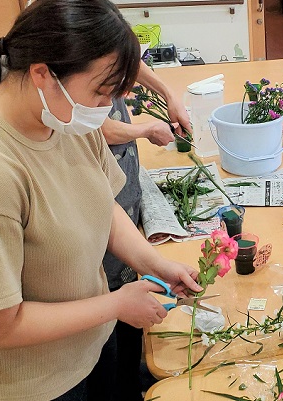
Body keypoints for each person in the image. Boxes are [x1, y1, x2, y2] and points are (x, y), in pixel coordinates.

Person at [0, 1, 201, 400]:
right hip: (32, 385)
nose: (107, 109)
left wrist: (155, 262)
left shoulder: (65, 117)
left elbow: (101, 201)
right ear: (42, 74)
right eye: (101, 92)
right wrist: (115, 305)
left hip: (88, 346)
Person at [102, 62, 190, 401]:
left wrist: (169, 94)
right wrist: (143, 130)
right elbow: (100, 129)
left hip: (118, 215)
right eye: (106, 92)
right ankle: (116, 379)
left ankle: (128, 373)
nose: (119, 97)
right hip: (52, 367)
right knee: (108, 338)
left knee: (127, 290)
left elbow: (108, 212)